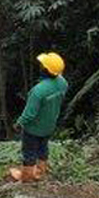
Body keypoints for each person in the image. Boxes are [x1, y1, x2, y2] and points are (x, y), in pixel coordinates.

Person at [8, 52, 68, 183]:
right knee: (43, 148)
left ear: (46, 70)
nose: (40, 66)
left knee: (29, 152)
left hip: (33, 129)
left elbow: (29, 114)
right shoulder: (63, 83)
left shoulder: (38, 91)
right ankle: (40, 173)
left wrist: (18, 124)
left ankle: (28, 177)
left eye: (43, 65)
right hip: (49, 125)